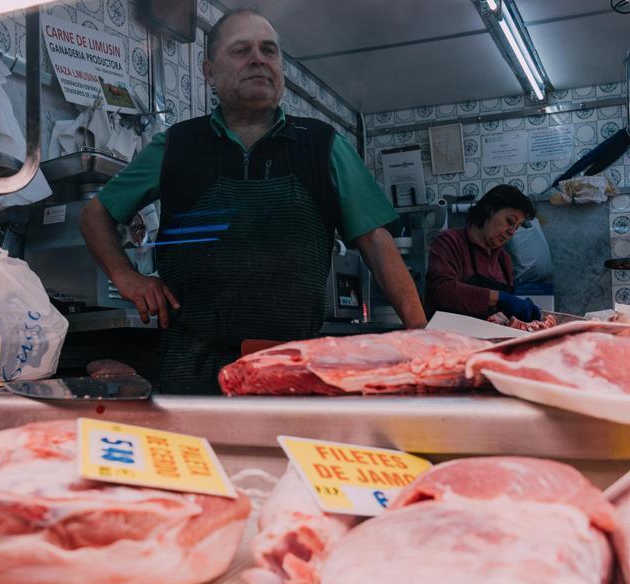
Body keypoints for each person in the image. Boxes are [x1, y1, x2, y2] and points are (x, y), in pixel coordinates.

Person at [79, 8, 425, 393]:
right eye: (241, 50)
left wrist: (422, 335)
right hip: (191, 373)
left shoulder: (324, 144)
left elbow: (376, 243)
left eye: (269, 50)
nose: (259, 59)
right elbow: (96, 214)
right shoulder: (175, 146)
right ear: (208, 72)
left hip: (294, 371)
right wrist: (126, 276)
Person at [425, 185, 543, 321]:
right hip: (448, 337)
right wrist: (500, 298)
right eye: (510, 221)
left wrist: (518, 311)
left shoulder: (504, 260)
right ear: (489, 210)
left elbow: (500, 312)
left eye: (516, 227)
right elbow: (441, 291)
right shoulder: (450, 242)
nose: (512, 232)